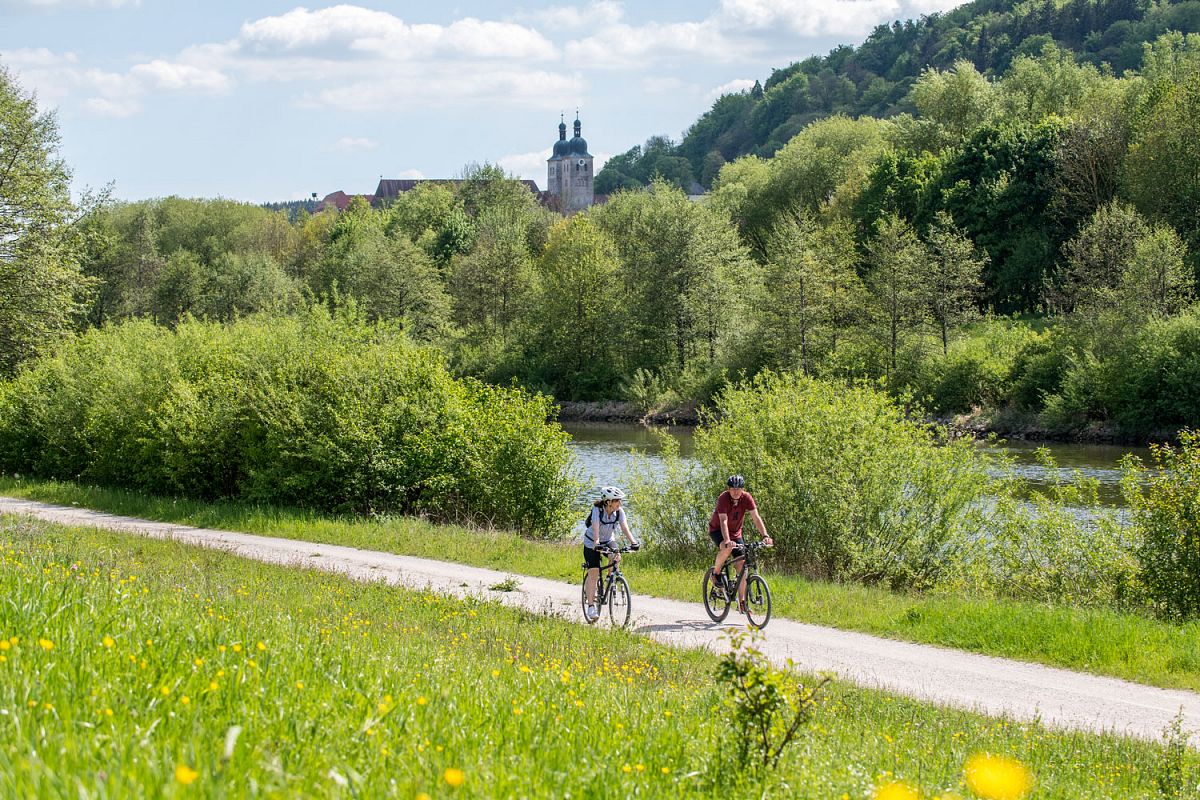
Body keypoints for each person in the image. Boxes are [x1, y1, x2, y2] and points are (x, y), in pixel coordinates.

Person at [709, 475, 771, 611]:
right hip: (718, 530)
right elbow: (723, 521)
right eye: (733, 489)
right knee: (726, 549)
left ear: (743, 489)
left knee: (742, 564)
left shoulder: (747, 498)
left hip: (736, 533)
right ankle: (715, 574)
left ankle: (742, 603)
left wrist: (765, 535)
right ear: (729, 489)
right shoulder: (723, 498)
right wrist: (726, 541)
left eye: (739, 489)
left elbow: (756, 518)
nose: (736, 492)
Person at [582, 486, 640, 622]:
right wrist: (596, 542)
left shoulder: (619, 512)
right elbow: (595, 526)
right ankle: (591, 606)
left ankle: (610, 579)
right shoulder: (597, 510)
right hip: (592, 543)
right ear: (608, 502)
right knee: (594, 573)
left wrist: (634, 542)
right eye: (617, 501)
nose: (620, 503)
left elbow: (625, 527)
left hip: (608, 540)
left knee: (616, 556)